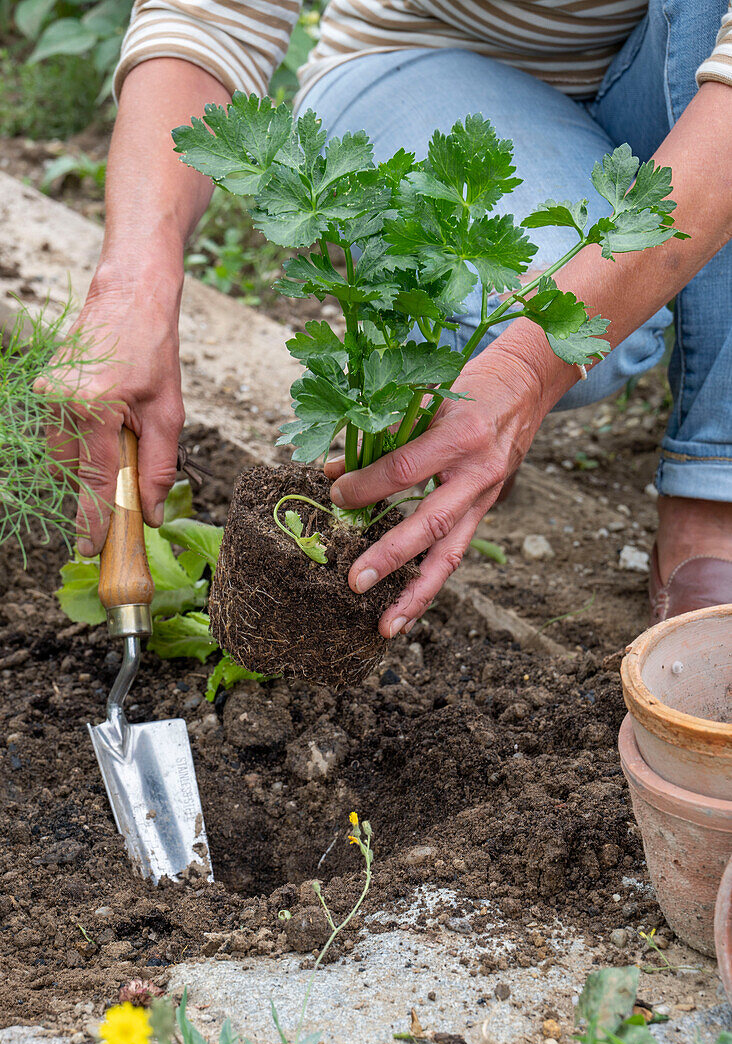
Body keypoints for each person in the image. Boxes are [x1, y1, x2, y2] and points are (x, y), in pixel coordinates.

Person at [45, 0, 732, 639]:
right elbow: (210, 14)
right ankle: (453, 412)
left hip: (694, 82)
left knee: (552, 331)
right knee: (577, 338)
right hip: (427, 64)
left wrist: (528, 369)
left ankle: (715, 485)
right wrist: (131, 286)